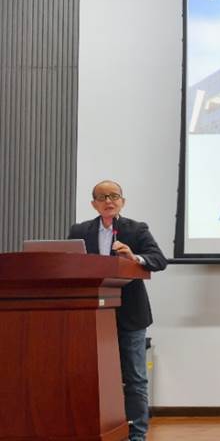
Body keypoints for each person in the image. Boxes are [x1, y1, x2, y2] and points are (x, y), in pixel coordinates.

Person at [68, 180, 167, 441]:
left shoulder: (136, 229)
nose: (108, 201)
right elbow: (68, 263)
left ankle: (137, 435)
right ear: (94, 204)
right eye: (102, 197)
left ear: (122, 201)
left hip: (129, 313)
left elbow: (158, 260)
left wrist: (135, 258)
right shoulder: (80, 231)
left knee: (134, 377)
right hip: (91, 314)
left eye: (114, 196)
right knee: (89, 375)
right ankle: (97, 430)